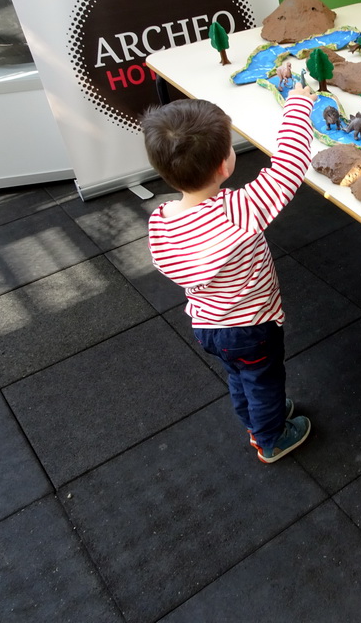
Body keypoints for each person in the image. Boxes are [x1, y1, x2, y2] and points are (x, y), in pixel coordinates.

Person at [142, 84, 316, 463]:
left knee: (239, 376)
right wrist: (299, 103)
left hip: (208, 325)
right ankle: (270, 438)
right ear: (225, 165)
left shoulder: (161, 222)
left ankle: (253, 419)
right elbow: (290, 164)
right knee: (264, 381)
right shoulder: (239, 210)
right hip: (252, 327)